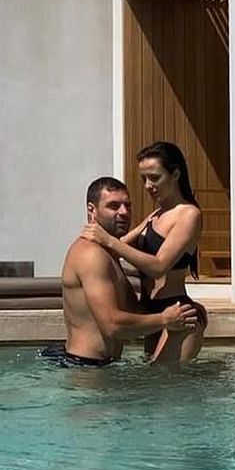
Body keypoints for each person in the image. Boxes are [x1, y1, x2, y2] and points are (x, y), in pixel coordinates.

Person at [46, 176, 198, 367]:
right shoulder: (91, 255)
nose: (124, 212)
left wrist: (183, 306)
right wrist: (165, 319)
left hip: (103, 365)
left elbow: (133, 312)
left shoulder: (108, 252)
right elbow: (112, 325)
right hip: (86, 368)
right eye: (113, 206)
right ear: (92, 210)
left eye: (128, 205)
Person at [78, 141, 206, 365]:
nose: (148, 185)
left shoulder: (188, 215)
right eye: (144, 179)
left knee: (163, 381)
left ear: (176, 175)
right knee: (152, 382)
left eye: (154, 178)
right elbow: (116, 248)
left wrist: (108, 240)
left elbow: (159, 266)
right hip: (153, 311)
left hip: (179, 313)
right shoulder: (156, 215)